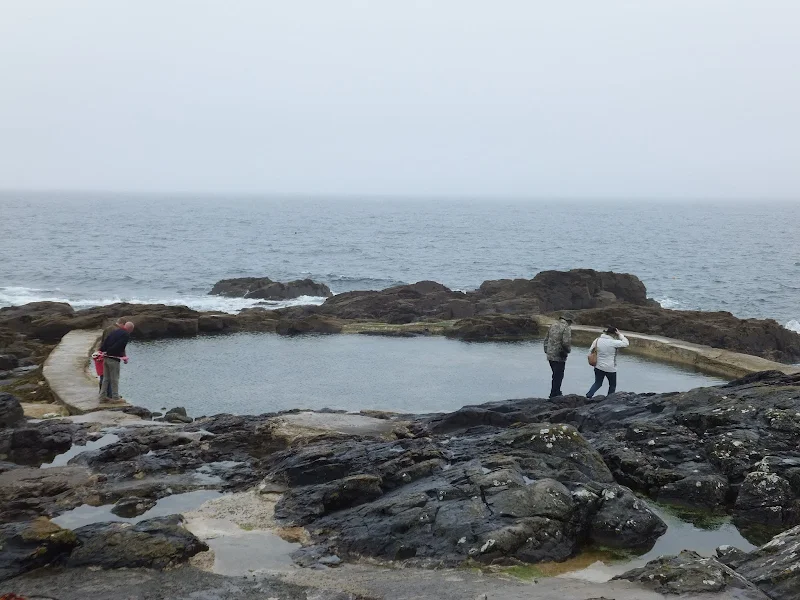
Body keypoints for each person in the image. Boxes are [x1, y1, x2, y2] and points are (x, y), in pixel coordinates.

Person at [586, 326, 629, 398]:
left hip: (598, 366)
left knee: (598, 383)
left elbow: (590, 351)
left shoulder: (597, 340)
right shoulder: (613, 342)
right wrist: (620, 335)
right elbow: (626, 343)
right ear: (614, 334)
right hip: (610, 368)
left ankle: (589, 395)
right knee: (612, 385)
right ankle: (609, 400)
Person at [99, 321, 134, 402]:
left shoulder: (116, 331)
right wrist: (123, 357)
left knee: (106, 378)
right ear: (131, 329)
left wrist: (103, 350)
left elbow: (106, 341)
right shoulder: (126, 334)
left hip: (106, 357)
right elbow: (120, 345)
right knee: (114, 379)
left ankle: (102, 396)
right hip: (113, 358)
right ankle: (115, 397)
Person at [543, 312, 573, 398]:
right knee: (559, 375)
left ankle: (555, 391)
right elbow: (566, 342)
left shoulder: (553, 325)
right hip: (560, 355)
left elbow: (546, 339)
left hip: (550, 354)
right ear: (568, 320)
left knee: (555, 374)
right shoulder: (566, 328)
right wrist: (568, 351)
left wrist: (547, 350)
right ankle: (554, 393)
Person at [98, 318, 126, 394]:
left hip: (103, 354)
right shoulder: (117, 331)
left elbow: (103, 342)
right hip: (111, 356)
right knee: (112, 377)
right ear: (122, 324)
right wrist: (124, 356)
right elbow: (119, 345)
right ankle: (111, 395)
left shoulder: (108, 328)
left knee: (104, 376)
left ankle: (103, 394)